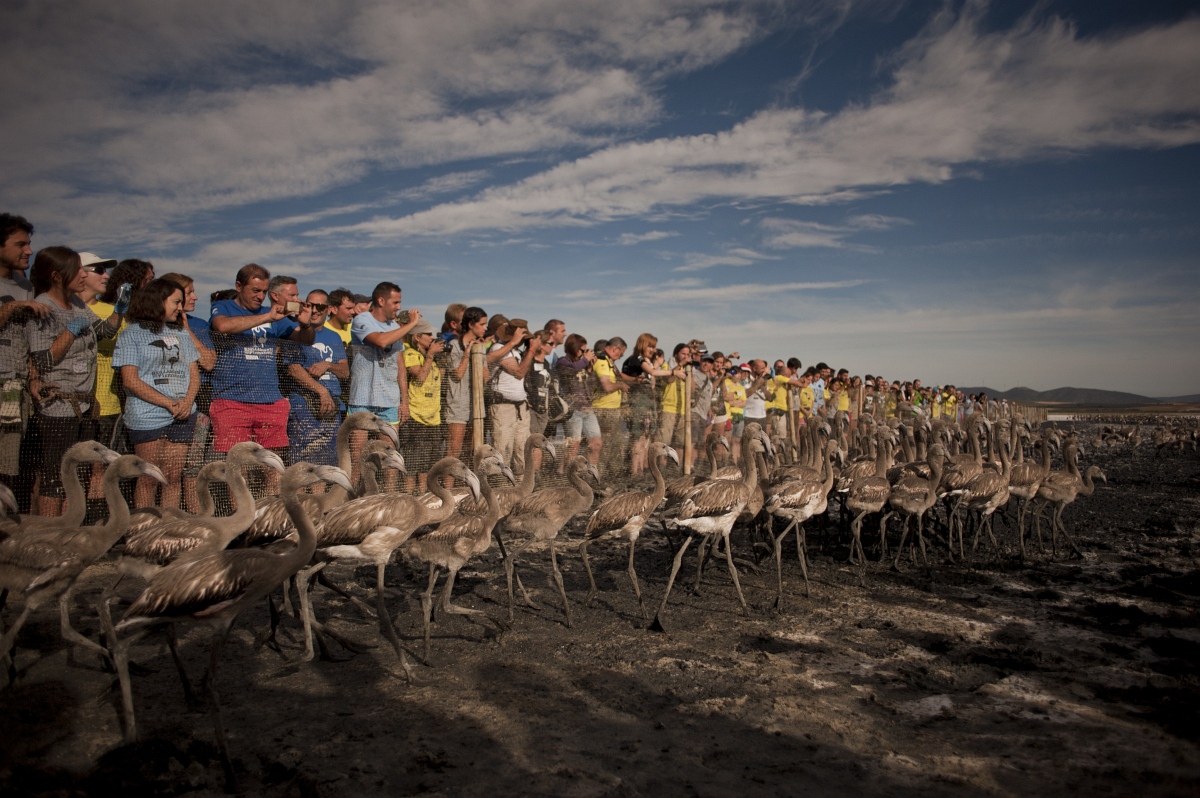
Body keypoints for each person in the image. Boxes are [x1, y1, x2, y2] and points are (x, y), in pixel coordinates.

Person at [28, 247, 128, 517]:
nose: (83, 275)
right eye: (79, 270)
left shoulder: (79, 305)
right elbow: (43, 361)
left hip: (83, 405)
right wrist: (71, 329)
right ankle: (49, 537)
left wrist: (118, 310)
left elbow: (105, 332)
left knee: (76, 474)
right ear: (58, 276)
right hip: (58, 405)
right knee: (55, 474)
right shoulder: (44, 306)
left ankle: (67, 531)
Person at [209, 264, 316, 495]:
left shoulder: (276, 316)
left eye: (264, 291)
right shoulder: (224, 306)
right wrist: (267, 316)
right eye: (255, 290)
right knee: (238, 470)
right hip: (232, 400)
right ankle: (242, 522)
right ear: (239, 286)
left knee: (273, 468)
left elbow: (304, 340)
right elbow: (222, 326)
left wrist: (306, 324)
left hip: (270, 401)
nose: (260, 296)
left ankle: (269, 521)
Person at [113, 278, 199, 510]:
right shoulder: (131, 334)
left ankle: (168, 529)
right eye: (176, 302)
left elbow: (194, 373)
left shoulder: (181, 334)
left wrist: (187, 402)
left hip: (183, 415)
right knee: (149, 477)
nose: (180, 308)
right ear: (158, 301)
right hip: (147, 416)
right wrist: (169, 403)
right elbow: (130, 380)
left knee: (172, 477)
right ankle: (145, 530)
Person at [0, 214, 49, 510]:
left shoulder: (25, 285)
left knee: (9, 466)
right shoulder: (21, 296)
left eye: (29, 244)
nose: (28, 250)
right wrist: (15, 307)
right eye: (20, 244)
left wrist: (33, 377)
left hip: (14, 389)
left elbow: (30, 342)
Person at [159, 272, 217, 514]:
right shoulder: (148, 327)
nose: (195, 296)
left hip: (197, 408)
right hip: (159, 409)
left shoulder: (199, 325)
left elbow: (209, 362)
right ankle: (164, 525)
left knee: (193, 471)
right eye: (189, 292)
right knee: (163, 474)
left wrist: (186, 330)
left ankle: (197, 523)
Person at [349, 281, 416, 483]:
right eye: (395, 302)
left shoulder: (395, 327)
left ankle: (389, 502)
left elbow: (400, 366)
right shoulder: (362, 319)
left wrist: (404, 401)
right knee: (357, 456)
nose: (398, 307)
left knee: (390, 456)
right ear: (381, 300)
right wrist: (411, 325)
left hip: (389, 401)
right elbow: (380, 341)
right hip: (362, 399)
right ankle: (351, 501)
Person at [285, 289, 349, 467]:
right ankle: (301, 496)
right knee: (303, 462)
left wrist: (327, 365)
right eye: (309, 305)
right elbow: (293, 369)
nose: (314, 310)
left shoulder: (334, 336)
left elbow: (345, 371)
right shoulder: (294, 332)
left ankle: (318, 496)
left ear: (328, 309)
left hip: (332, 406)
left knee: (326, 463)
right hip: (304, 403)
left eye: (319, 306)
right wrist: (321, 391)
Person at [623, 333, 681, 477]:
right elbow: (652, 372)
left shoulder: (646, 360)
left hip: (648, 402)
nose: (654, 350)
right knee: (638, 437)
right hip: (639, 402)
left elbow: (652, 378)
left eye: (654, 347)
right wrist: (673, 372)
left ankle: (640, 470)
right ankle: (634, 470)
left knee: (645, 437)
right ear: (643, 344)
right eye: (651, 346)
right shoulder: (637, 358)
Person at [400, 316, 444, 493]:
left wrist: (434, 356)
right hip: (416, 417)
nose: (432, 338)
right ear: (417, 336)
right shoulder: (410, 354)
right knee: (412, 465)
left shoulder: (430, 358)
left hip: (433, 418)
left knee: (427, 466)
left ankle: (425, 497)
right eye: (428, 334)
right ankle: (409, 499)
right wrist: (430, 355)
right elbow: (419, 377)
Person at [487, 315, 534, 473]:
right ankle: (499, 488)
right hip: (503, 407)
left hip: (520, 407)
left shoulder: (515, 351)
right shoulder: (497, 349)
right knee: (503, 450)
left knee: (522, 449)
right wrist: (531, 350)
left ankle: (521, 487)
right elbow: (519, 373)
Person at [555, 333, 602, 470]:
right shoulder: (563, 362)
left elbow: (592, 385)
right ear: (574, 348)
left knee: (596, 443)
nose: (583, 354)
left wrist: (590, 369)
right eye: (582, 350)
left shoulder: (582, 364)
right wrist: (585, 361)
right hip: (572, 410)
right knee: (572, 446)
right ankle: (565, 475)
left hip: (587, 408)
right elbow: (571, 371)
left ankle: (591, 472)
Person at [591, 336, 630, 479]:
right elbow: (606, 386)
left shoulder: (608, 362)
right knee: (606, 445)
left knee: (615, 443)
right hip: (604, 411)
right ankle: (599, 476)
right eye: (621, 353)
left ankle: (606, 474)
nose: (620, 357)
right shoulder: (602, 361)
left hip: (611, 410)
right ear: (615, 349)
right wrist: (621, 385)